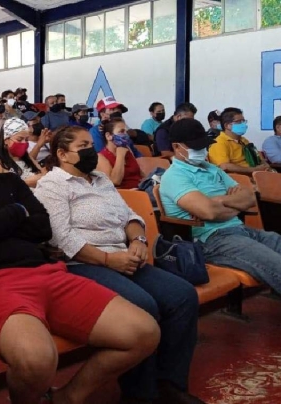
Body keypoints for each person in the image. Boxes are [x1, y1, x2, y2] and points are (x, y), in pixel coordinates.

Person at [0, 112, 160, 404]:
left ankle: (69, 397)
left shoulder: (10, 182)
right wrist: (17, 212)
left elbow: (41, 227)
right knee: (37, 361)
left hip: (48, 273)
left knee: (144, 333)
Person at [34, 125, 201, 404]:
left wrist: (138, 241)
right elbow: (61, 237)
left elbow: (130, 215)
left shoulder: (100, 178)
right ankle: (140, 393)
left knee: (183, 296)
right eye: (84, 146)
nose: (92, 151)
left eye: (91, 144)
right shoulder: (52, 185)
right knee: (143, 305)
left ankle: (169, 384)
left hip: (124, 255)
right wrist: (109, 260)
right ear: (62, 154)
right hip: (84, 263)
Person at [160, 118, 281, 294]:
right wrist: (232, 204)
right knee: (277, 266)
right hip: (212, 240)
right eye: (196, 147)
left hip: (241, 230)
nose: (202, 150)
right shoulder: (174, 177)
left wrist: (219, 201)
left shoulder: (211, 168)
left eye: (203, 146)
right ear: (177, 147)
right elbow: (208, 212)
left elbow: (249, 197)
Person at [208, 108, 270, 174]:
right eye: (239, 122)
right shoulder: (218, 143)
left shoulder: (243, 140)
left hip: (258, 174)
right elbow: (224, 166)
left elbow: (257, 155)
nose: (243, 124)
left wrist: (264, 164)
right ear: (227, 125)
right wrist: (253, 170)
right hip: (240, 179)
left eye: (243, 121)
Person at [0, 118, 44, 188]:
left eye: (26, 139)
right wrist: (25, 183)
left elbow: (41, 172)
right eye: (20, 139)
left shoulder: (26, 157)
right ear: (6, 140)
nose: (24, 143)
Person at [97, 118, 142, 189]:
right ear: (108, 136)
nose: (126, 135)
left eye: (126, 132)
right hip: (125, 195)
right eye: (121, 132)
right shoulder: (101, 157)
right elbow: (115, 181)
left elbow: (139, 174)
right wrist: (120, 155)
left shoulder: (127, 150)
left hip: (140, 189)